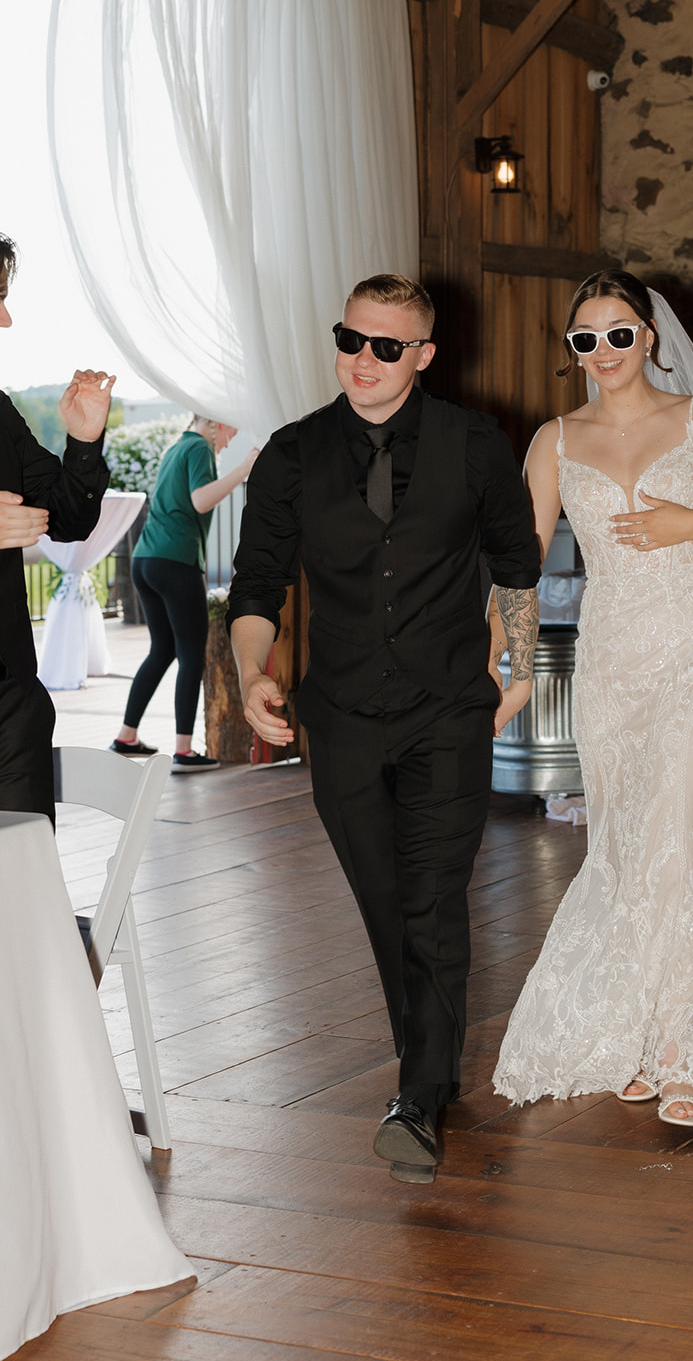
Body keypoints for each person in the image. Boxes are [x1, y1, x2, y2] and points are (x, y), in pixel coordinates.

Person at [228, 273, 540, 1183]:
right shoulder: (291, 454)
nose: (362, 359)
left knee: (433, 899)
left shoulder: (476, 443)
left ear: (423, 355)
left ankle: (417, 1093)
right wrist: (254, 669)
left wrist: (517, 667)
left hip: (449, 709)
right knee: (381, 901)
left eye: (385, 346)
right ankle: (428, 1067)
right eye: (350, 339)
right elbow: (256, 584)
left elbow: (515, 567)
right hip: (343, 716)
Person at [493, 270, 693, 1128]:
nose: (603, 352)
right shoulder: (553, 439)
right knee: (631, 839)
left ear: (650, 338)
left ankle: (682, 1056)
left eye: (618, 333)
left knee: (681, 823)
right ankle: (636, 1028)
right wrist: (514, 667)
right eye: (584, 339)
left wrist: (691, 524)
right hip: (612, 658)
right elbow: (519, 563)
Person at [0, 232, 115, 819]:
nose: (6, 318)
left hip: (10, 710)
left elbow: (67, 519)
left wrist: (84, 440)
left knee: (26, 886)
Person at [112, 417, 257, 770]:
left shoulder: (176, 447)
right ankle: (184, 750)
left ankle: (126, 736)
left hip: (145, 559)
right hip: (176, 562)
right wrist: (244, 469)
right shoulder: (199, 447)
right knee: (192, 655)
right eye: (230, 425)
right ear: (212, 422)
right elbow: (201, 501)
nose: (234, 432)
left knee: (162, 650)